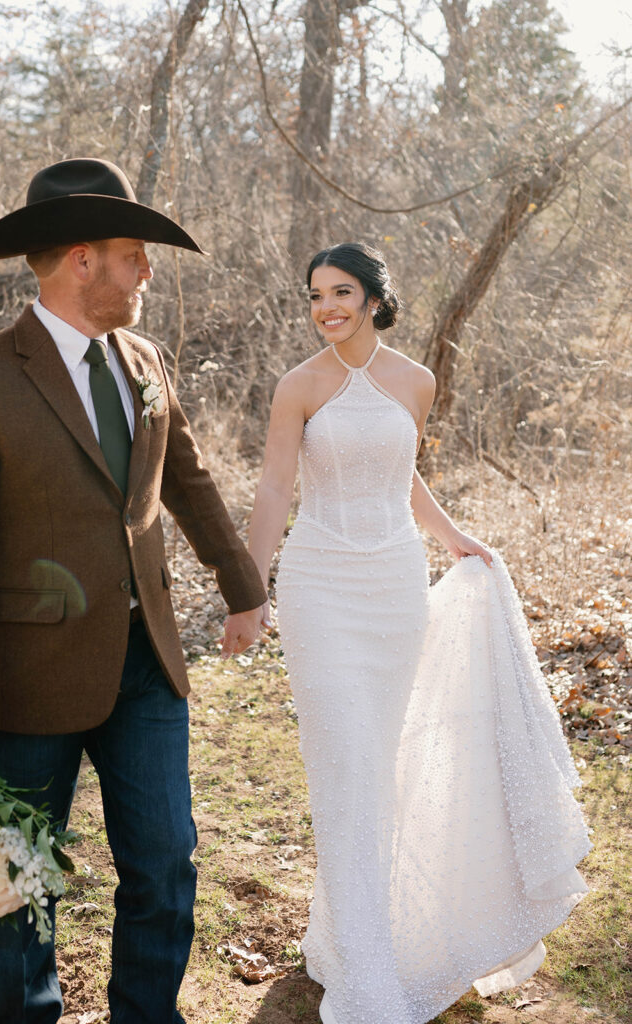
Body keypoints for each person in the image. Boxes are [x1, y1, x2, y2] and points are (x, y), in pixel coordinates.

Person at [0, 157, 267, 1023]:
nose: (147, 270)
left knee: (166, 863)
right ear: (82, 259)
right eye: (134, 253)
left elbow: (189, 482)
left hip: (146, 665)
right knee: (17, 880)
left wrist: (243, 586)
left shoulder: (146, 356)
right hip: (24, 681)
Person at [245, 242, 590, 1024]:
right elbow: (274, 486)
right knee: (347, 763)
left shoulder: (416, 380)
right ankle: (364, 969)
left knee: (383, 763)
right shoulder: (298, 387)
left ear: (373, 298)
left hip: (394, 584)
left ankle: (350, 930)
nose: (325, 308)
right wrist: (250, 588)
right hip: (321, 587)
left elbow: (402, 473)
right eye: (314, 296)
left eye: (339, 293)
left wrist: (454, 538)